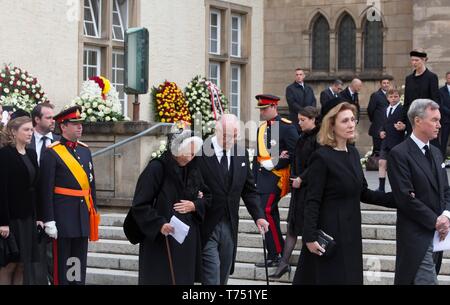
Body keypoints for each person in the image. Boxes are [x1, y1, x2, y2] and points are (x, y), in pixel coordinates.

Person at [293, 99, 395, 285]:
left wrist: (397, 199)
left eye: (352, 119)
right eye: (344, 121)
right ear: (331, 125)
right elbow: (312, 200)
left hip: (351, 232)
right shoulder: (321, 157)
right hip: (329, 233)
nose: (350, 124)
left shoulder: (354, 154)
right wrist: (309, 237)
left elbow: (363, 192)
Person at [130, 122, 210, 285]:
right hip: (161, 242)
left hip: (186, 241)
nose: (193, 155)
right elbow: (140, 205)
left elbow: (207, 196)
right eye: (190, 150)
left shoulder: (193, 168)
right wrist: (159, 224)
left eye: (195, 151)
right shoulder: (156, 168)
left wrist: (195, 205)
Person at [198, 114, 268, 285]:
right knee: (211, 275)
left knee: (223, 276)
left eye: (235, 135)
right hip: (206, 223)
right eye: (227, 135)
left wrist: (259, 216)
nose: (231, 139)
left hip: (229, 224)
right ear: (216, 131)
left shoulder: (241, 153)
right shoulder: (200, 151)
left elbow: (249, 190)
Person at [387, 99, 450, 285]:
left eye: (439, 120)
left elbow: (446, 191)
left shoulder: (437, 153)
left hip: (438, 236)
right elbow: (405, 198)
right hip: (415, 236)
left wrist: (446, 215)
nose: (439, 125)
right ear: (417, 121)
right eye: (434, 120)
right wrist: (435, 220)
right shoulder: (400, 153)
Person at [39, 106, 99, 285]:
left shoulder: (85, 150)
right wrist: (49, 219)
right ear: (63, 127)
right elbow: (46, 189)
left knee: (78, 265)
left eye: (80, 123)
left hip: (81, 217)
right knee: (62, 267)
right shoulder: (52, 152)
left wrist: (92, 213)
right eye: (74, 124)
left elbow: (91, 186)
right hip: (62, 219)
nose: (80, 127)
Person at [270, 106, 321, 278]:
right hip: (298, 189)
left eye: (302, 120)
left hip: (311, 190)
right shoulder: (302, 137)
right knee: (292, 227)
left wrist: (302, 178)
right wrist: (286, 156)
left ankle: (310, 269)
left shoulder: (318, 138)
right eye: (298, 120)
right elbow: (296, 158)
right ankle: (284, 263)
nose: (299, 123)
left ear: (313, 119)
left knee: (307, 228)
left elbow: (317, 164)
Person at [253, 94, 299, 268]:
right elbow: (257, 157)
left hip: (277, 177)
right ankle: (274, 252)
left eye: (265, 109)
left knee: (266, 210)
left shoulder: (286, 127)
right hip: (262, 177)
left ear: (274, 107)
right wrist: (253, 180)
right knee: (267, 213)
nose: (262, 112)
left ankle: (276, 253)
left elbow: (295, 153)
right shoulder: (261, 128)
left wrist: (279, 161)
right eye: (261, 109)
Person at [0, 115, 40, 284]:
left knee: (23, 264)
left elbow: (35, 187)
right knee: (9, 264)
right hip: (11, 218)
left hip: (28, 217)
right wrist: (3, 222)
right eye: (26, 129)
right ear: (13, 132)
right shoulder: (4, 154)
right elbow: (1, 190)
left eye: (31, 129)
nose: (30, 133)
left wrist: (39, 217)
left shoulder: (31, 153)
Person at [28, 103, 59, 285]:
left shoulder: (58, 141)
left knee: (53, 259)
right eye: (48, 117)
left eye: (53, 117)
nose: (52, 121)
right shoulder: (26, 140)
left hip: (55, 208)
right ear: (36, 119)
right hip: (31, 208)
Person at [403, 49, 440, 139]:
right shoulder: (409, 79)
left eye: (416, 60)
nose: (414, 63)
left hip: (426, 118)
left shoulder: (431, 77)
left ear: (424, 60)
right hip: (411, 120)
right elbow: (406, 101)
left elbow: (434, 100)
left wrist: (434, 119)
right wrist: (403, 120)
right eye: (412, 60)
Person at [376, 87, 405, 192]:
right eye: (391, 97)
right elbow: (382, 124)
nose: (393, 99)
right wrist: (381, 131)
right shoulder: (385, 109)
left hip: (397, 141)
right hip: (386, 142)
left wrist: (403, 126)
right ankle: (381, 188)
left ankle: (397, 188)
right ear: (387, 98)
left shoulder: (402, 109)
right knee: (381, 163)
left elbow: (407, 123)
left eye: (396, 96)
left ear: (399, 97)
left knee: (395, 167)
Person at [368, 79, 391, 154]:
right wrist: (375, 121)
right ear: (380, 84)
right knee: (377, 152)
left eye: (387, 83)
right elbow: (370, 110)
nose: (386, 84)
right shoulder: (375, 95)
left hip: (388, 129)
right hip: (377, 128)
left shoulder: (391, 95)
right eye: (384, 83)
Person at [438, 72, 450, 161]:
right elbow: (441, 105)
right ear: (446, 78)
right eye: (449, 78)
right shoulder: (441, 90)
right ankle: (442, 159)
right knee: (444, 141)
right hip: (446, 120)